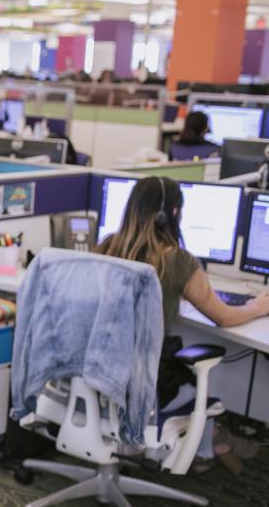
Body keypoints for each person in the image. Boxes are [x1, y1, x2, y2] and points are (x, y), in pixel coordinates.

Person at [98, 177, 269, 463]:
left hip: (101, 374)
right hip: (144, 385)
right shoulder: (176, 260)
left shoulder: (106, 248)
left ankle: (203, 450)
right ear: (172, 214)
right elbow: (224, 316)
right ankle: (204, 452)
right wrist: (257, 307)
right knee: (193, 374)